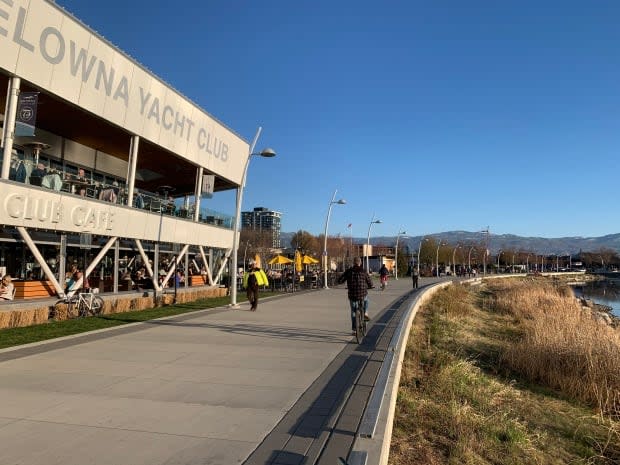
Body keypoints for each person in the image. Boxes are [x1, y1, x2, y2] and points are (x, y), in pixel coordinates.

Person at [337, 257, 373, 335]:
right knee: (366, 300)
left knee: (353, 311)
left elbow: (340, 280)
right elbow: (370, 282)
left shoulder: (349, 271)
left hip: (352, 294)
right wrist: (370, 286)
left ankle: (354, 329)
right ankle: (365, 313)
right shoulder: (363, 271)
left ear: (353, 263)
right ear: (360, 263)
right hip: (362, 293)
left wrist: (341, 281)